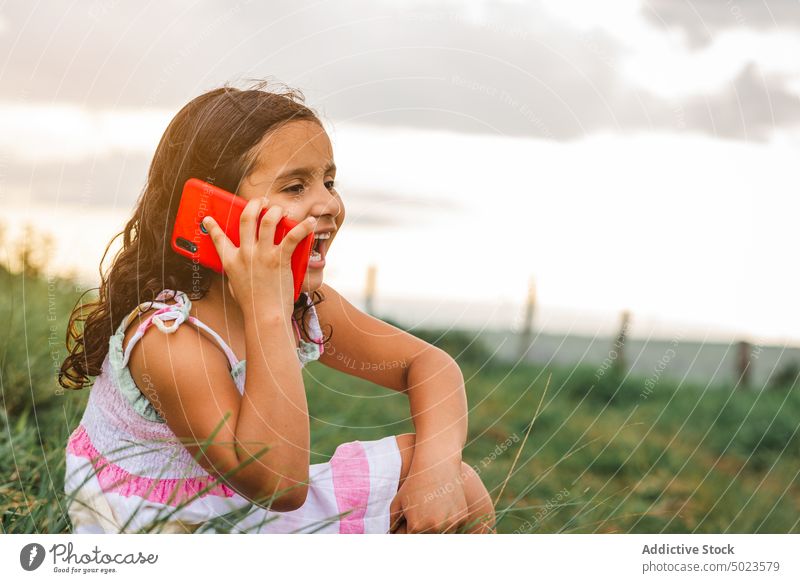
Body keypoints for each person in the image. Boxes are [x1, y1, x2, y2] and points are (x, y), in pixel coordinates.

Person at [60, 81, 495, 534]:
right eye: (294, 186)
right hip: (167, 534)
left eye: (328, 181)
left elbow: (429, 364)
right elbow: (280, 485)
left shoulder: (303, 307)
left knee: (456, 485)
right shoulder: (170, 340)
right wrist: (265, 312)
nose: (327, 202)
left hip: (241, 515)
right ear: (211, 212)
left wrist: (437, 470)